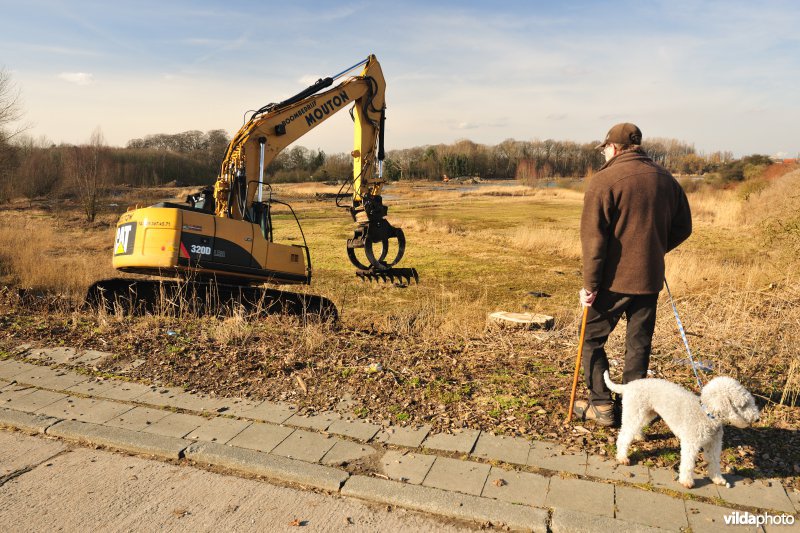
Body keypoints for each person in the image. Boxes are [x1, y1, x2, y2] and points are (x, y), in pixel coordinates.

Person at [573, 123, 693, 426]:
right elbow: (683, 227)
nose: (604, 154)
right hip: (650, 279)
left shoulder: (604, 180)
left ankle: (601, 405)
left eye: (605, 149)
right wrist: (655, 250)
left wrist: (590, 285)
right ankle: (633, 409)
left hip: (613, 281)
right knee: (638, 345)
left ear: (613, 148)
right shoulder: (666, 179)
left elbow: (593, 240)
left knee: (590, 339)